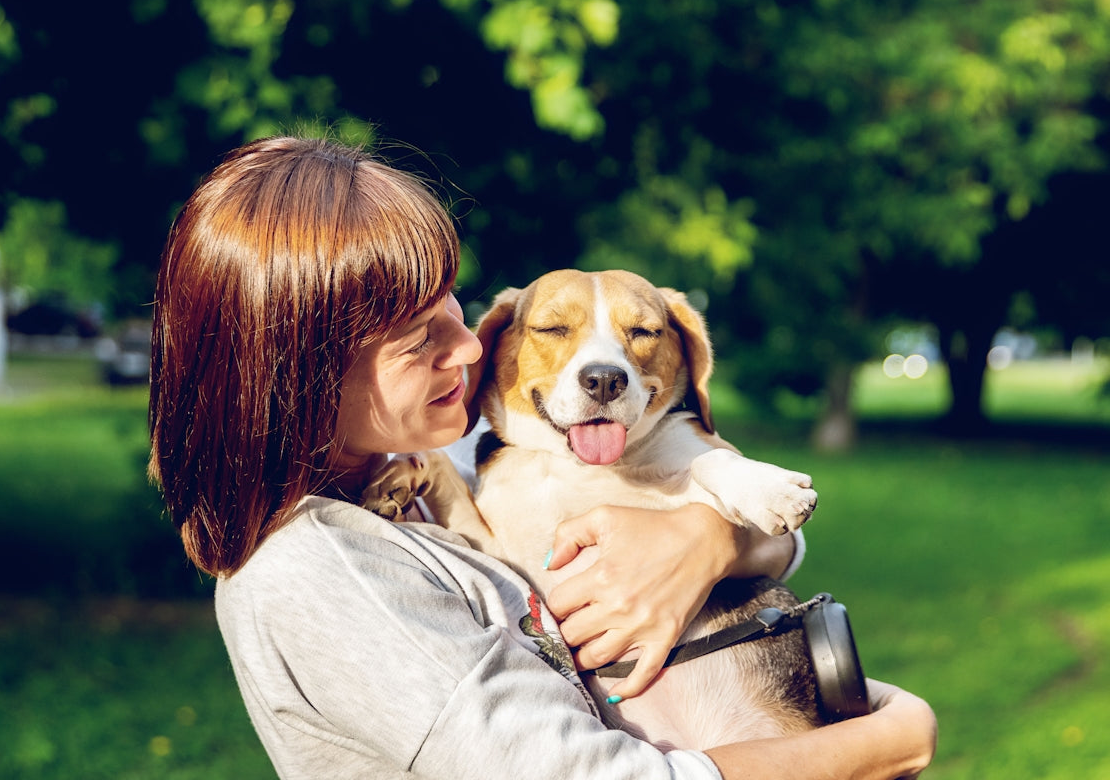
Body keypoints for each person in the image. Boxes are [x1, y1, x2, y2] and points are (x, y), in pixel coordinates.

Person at [149, 134, 936, 779]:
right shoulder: (319, 570)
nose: (470, 345)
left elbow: (772, 530)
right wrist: (887, 740)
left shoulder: (434, 468)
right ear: (301, 372)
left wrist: (711, 539)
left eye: (452, 307)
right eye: (421, 338)